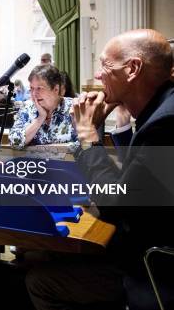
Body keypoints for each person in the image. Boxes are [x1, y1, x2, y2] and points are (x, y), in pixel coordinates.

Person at [26, 29, 174, 309]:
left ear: (132, 69)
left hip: (152, 266)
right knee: (47, 254)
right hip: (146, 241)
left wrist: (86, 134)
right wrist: (111, 124)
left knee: (39, 280)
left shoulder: (164, 124)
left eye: (105, 65)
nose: (97, 76)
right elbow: (136, 179)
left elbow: (116, 203)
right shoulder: (161, 110)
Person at [8, 65, 77, 149]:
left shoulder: (73, 107)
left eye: (39, 88)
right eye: (32, 88)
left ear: (56, 89)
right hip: (32, 162)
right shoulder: (27, 107)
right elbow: (14, 142)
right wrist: (40, 118)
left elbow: (83, 145)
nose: (34, 94)